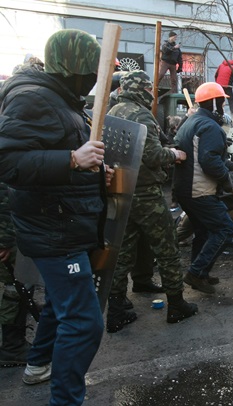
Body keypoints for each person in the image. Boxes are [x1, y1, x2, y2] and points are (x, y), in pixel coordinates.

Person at [0, 28, 114, 404]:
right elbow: (9, 161)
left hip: (62, 224)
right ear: (76, 67)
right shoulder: (33, 99)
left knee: (60, 305)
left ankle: (37, 364)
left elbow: (63, 154)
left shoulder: (61, 99)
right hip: (54, 231)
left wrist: (95, 171)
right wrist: (72, 159)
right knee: (83, 323)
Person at [106, 70, 197, 332]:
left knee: (123, 251)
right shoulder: (141, 113)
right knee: (167, 248)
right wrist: (175, 154)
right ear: (143, 90)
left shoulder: (113, 110)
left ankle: (116, 309)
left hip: (121, 189)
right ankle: (177, 305)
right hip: (145, 192)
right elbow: (153, 155)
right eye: (149, 90)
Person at [173, 82, 233, 294]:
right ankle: (196, 272)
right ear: (215, 103)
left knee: (203, 231)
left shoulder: (190, 121)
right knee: (225, 228)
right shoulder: (209, 126)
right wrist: (226, 177)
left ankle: (201, 274)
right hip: (199, 190)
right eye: (223, 103)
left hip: (184, 189)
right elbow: (209, 161)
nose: (224, 108)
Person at [0, 182, 31, 367]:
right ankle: (12, 346)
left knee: (20, 284)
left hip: (13, 228)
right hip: (9, 233)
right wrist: (3, 239)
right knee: (17, 286)